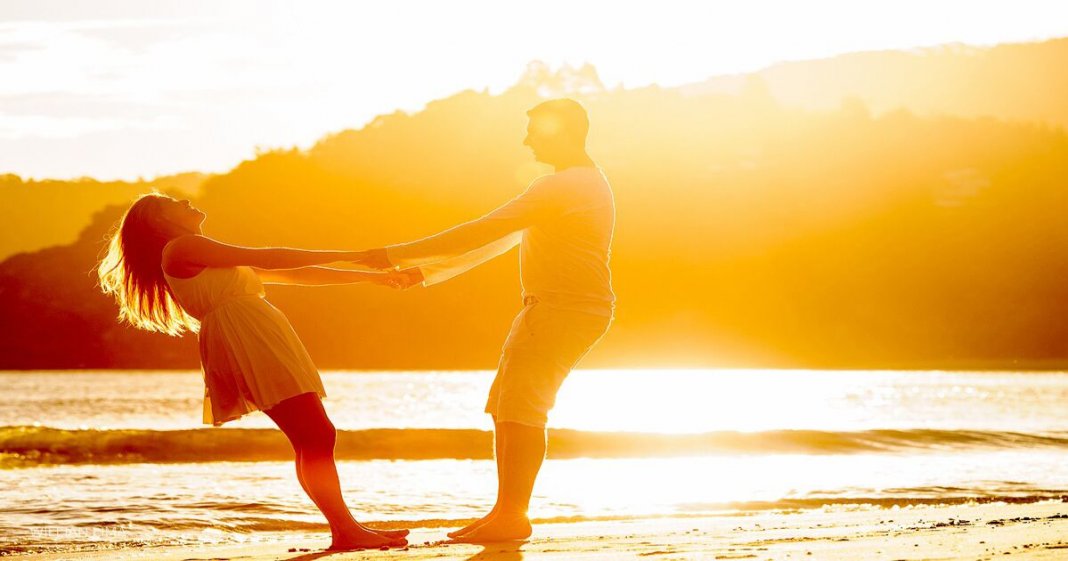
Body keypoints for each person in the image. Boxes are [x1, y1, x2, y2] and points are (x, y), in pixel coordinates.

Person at [355, 98, 615, 542]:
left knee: (521, 407)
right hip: (555, 307)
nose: (526, 139)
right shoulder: (576, 185)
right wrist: (424, 272)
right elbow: (503, 237)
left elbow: (482, 229)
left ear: (564, 133)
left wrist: (394, 254)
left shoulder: (564, 186)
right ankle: (506, 512)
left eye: (535, 130)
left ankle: (512, 517)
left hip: (562, 307)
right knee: (506, 406)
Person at [97, 193, 419, 551]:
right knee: (316, 433)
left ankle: (346, 529)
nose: (186, 201)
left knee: (311, 436)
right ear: (159, 222)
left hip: (253, 333)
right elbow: (269, 255)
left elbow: (293, 274)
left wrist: (366, 276)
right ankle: (345, 530)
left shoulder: (197, 252)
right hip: (247, 337)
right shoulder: (184, 247)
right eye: (174, 202)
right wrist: (354, 254)